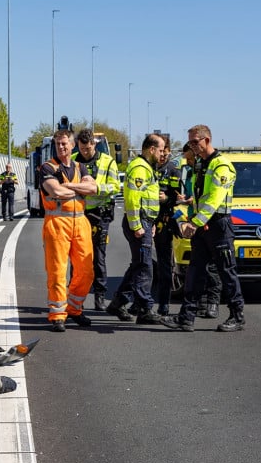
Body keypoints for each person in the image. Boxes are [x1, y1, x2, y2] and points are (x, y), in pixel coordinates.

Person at [161, 124, 246, 332]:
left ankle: (237, 316)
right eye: (190, 142)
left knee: (227, 272)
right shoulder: (200, 164)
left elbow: (214, 199)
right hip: (203, 225)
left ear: (207, 140)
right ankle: (186, 317)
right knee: (195, 272)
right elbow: (201, 197)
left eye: (195, 142)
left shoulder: (221, 166)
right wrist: (191, 209)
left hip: (218, 225)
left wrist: (195, 222)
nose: (192, 146)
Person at [40, 129, 99, 332]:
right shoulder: (47, 168)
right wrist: (78, 187)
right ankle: (57, 314)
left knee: (86, 271)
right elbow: (55, 191)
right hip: (57, 224)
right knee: (57, 272)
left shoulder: (81, 167)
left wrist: (68, 186)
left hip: (81, 223)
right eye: (58, 144)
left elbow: (92, 189)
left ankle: (74, 308)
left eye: (65, 143)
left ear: (72, 145)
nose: (61, 147)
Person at [108, 134, 165, 324]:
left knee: (138, 265)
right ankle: (145, 309)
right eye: (161, 149)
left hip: (145, 222)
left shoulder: (147, 168)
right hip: (139, 222)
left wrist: (151, 222)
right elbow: (132, 199)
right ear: (151, 149)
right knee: (144, 267)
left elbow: (147, 199)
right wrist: (137, 225)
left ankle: (118, 302)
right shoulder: (140, 168)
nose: (162, 153)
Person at [72, 129, 120, 311]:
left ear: (94, 143)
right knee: (77, 257)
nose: (85, 151)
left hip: (100, 214)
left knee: (98, 257)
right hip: (78, 213)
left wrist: (96, 188)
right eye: (82, 148)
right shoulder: (73, 160)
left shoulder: (108, 162)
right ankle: (76, 298)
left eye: (88, 147)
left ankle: (99, 296)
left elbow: (115, 186)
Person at [178, 143, 222, 318]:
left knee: (213, 267)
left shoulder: (213, 168)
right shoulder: (192, 172)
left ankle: (212, 303)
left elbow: (212, 197)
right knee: (197, 267)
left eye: (190, 157)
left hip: (209, 222)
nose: (188, 161)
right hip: (195, 220)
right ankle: (197, 306)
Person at [151, 140, 182, 316]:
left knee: (164, 266)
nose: (162, 155)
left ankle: (164, 305)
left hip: (164, 221)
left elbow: (177, 197)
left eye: (166, 152)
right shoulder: (148, 167)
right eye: (160, 151)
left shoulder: (173, 171)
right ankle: (131, 301)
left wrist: (167, 199)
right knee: (141, 264)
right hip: (146, 220)